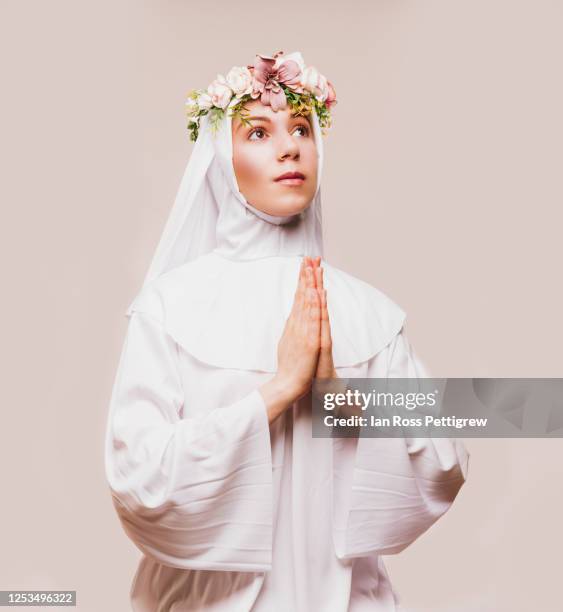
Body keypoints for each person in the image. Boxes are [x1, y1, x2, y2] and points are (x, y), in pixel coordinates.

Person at [104, 51, 469, 611]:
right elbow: (139, 478)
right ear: (220, 160)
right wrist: (275, 393)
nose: (289, 147)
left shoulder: (369, 313)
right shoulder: (170, 308)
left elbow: (445, 463)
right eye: (258, 132)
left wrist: (337, 398)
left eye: (302, 128)